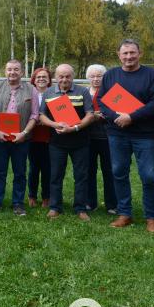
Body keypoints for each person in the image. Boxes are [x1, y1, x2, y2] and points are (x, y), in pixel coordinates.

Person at [97, 39, 154, 232]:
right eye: (125, 53)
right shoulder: (110, 75)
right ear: (119, 55)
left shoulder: (152, 75)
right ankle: (124, 213)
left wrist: (131, 117)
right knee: (119, 173)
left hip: (144, 135)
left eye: (132, 52)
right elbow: (102, 100)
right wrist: (116, 117)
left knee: (149, 176)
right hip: (117, 134)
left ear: (139, 53)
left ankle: (152, 217)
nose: (129, 56)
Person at [39, 64, 95, 220]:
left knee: (81, 176)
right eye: (61, 76)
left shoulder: (82, 91)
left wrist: (75, 128)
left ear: (73, 76)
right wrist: (54, 124)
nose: (64, 79)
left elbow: (90, 114)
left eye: (68, 76)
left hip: (80, 141)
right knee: (56, 175)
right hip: (56, 142)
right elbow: (42, 115)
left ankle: (80, 208)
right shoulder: (49, 92)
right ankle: (55, 207)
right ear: (55, 77)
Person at [0, 60, 37, 215]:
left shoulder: (31, 89)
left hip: (21, 139)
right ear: (5, 71)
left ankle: (18, 203)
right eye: (9, 69)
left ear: (22, 72)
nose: (12, 72)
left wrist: (24, 133)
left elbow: (34, 115)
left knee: (20, 172)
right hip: (0, 138)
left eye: (16, 69)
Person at [85, 64, 116, 214]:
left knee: (109, 171)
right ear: (88, 78)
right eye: (93, 76)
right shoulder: (84, 93)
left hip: (107, 137)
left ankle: (112, 204)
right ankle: (90, 202)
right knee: (89, 170)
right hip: (88, 138)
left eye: (99, 76)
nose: (96, 79)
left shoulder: (111, 92)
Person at [27, 67, 52, 208]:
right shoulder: (29, 94)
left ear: (49, 80)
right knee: (34, 168)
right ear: (34, 80)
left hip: (49, 137)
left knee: (48, 168)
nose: (41, 79)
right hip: (32, 136)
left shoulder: (54, 94)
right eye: (38, 77)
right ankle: (32, 195)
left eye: (44, 77)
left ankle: (46, 197)